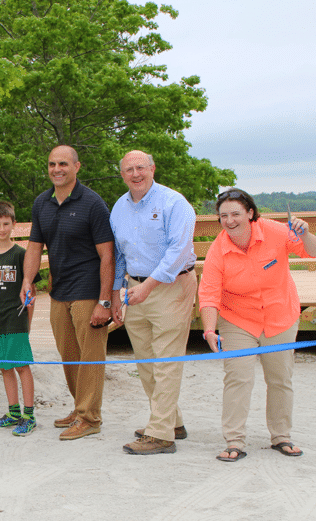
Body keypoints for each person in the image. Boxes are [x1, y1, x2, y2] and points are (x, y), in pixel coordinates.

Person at [199, 188, 316, 462]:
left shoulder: (276, 231)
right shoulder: (219, 249)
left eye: (235, 214)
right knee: (238, 377)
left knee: (280, 378)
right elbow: (208, 293)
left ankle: (281, 436)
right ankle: (234, 441)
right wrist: (208, 330)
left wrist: (306, 233)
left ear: (250, 213)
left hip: (280, 315)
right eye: (223, 216)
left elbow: (313, 253)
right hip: (238, 319)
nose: (229, 221)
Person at [21, 145, 114, 440]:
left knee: (90, 356)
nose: (56, 169)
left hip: (88, 289)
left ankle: (90, 418)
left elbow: (107, 256)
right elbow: (35, 246)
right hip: (58, 290)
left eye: (63, 163)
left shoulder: (93, 203)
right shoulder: (41, 203)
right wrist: (27, 280)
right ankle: (79, 408)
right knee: (69, 354)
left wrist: (105, 300)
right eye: (51, 164)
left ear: (77, 167)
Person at [110, 150, 197, 455]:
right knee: (145, 361)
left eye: (140, 168)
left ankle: (160, 434)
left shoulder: (175, 203)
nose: (135, 174)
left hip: (172, 286)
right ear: (122, 174)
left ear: (152, 168)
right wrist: (114, 296)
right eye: (129, 170)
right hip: (135, 289)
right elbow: (119, 256)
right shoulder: (118, 208)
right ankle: (171, 421)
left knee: (166, 360)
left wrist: (148, 286)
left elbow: (177, 251)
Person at [0, 201, 39, 436]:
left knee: (21, 367)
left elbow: (31, 294)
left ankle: (29, 415)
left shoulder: (21, 255)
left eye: (7, 224)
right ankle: (13, 412)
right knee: (4, 368)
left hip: (15, 320)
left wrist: (27, 323)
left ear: (14, 225)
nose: (2, 228)